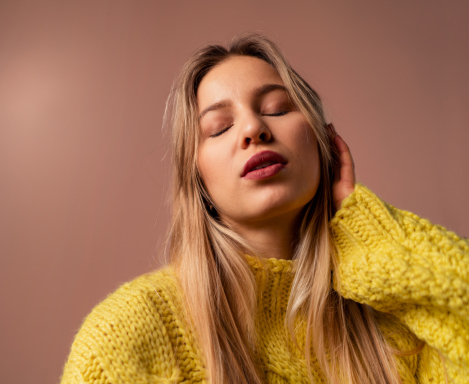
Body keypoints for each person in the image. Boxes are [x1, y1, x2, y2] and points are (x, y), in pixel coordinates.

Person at [59, 33, 468, 384]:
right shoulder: (130, 332)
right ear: (198, 181)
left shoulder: (399, 331)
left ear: (325, 144)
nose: (254, 129)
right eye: (219, 128)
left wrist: (365, 233)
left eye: (276, 108)